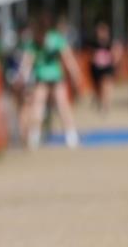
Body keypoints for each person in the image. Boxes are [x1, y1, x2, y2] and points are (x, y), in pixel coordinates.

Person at [17, 12, 84, 149]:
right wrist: (76, 74)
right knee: (60, 106)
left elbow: (26, 63)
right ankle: (70, 137)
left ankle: (35, 137)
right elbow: (68, 58)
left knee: (41, 107)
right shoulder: (55, 38)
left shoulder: (36, 40)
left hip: (45, 77)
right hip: (51, 77)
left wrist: (22, 77)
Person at [86, 21, 123, 113]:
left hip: (107, 67)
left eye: (103, 31)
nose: (101, 33)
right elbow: (89, 54)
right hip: (96, 68)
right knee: (98, 88)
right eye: (99, 31)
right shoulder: (93, 43)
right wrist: (94, 58)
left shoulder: (111, 42)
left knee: (106, 85)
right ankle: (100, 100)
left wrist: (114, 61)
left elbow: (117, 52)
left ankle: (106, 105)